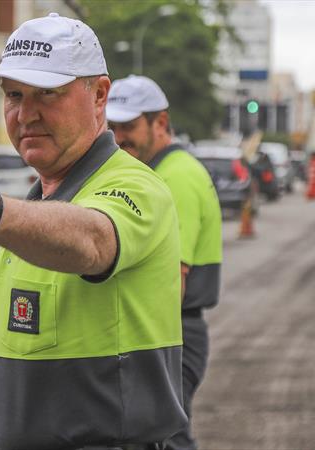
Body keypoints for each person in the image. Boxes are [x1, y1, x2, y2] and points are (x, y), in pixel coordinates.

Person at [0, 13, 186, 450]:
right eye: (14, 95)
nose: (26, 114)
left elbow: (93, 242)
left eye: (48, 93)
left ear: (99, 95)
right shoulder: (35, 206)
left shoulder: (135, 185)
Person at [107, 75, 222, 450]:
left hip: (171, 335)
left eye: (128, 126)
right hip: (168, 334)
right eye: (112, 126)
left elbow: (175, 280)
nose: (118, 136)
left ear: (160, 122)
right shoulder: (157, 172)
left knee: (165, 437)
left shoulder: (176, 178)